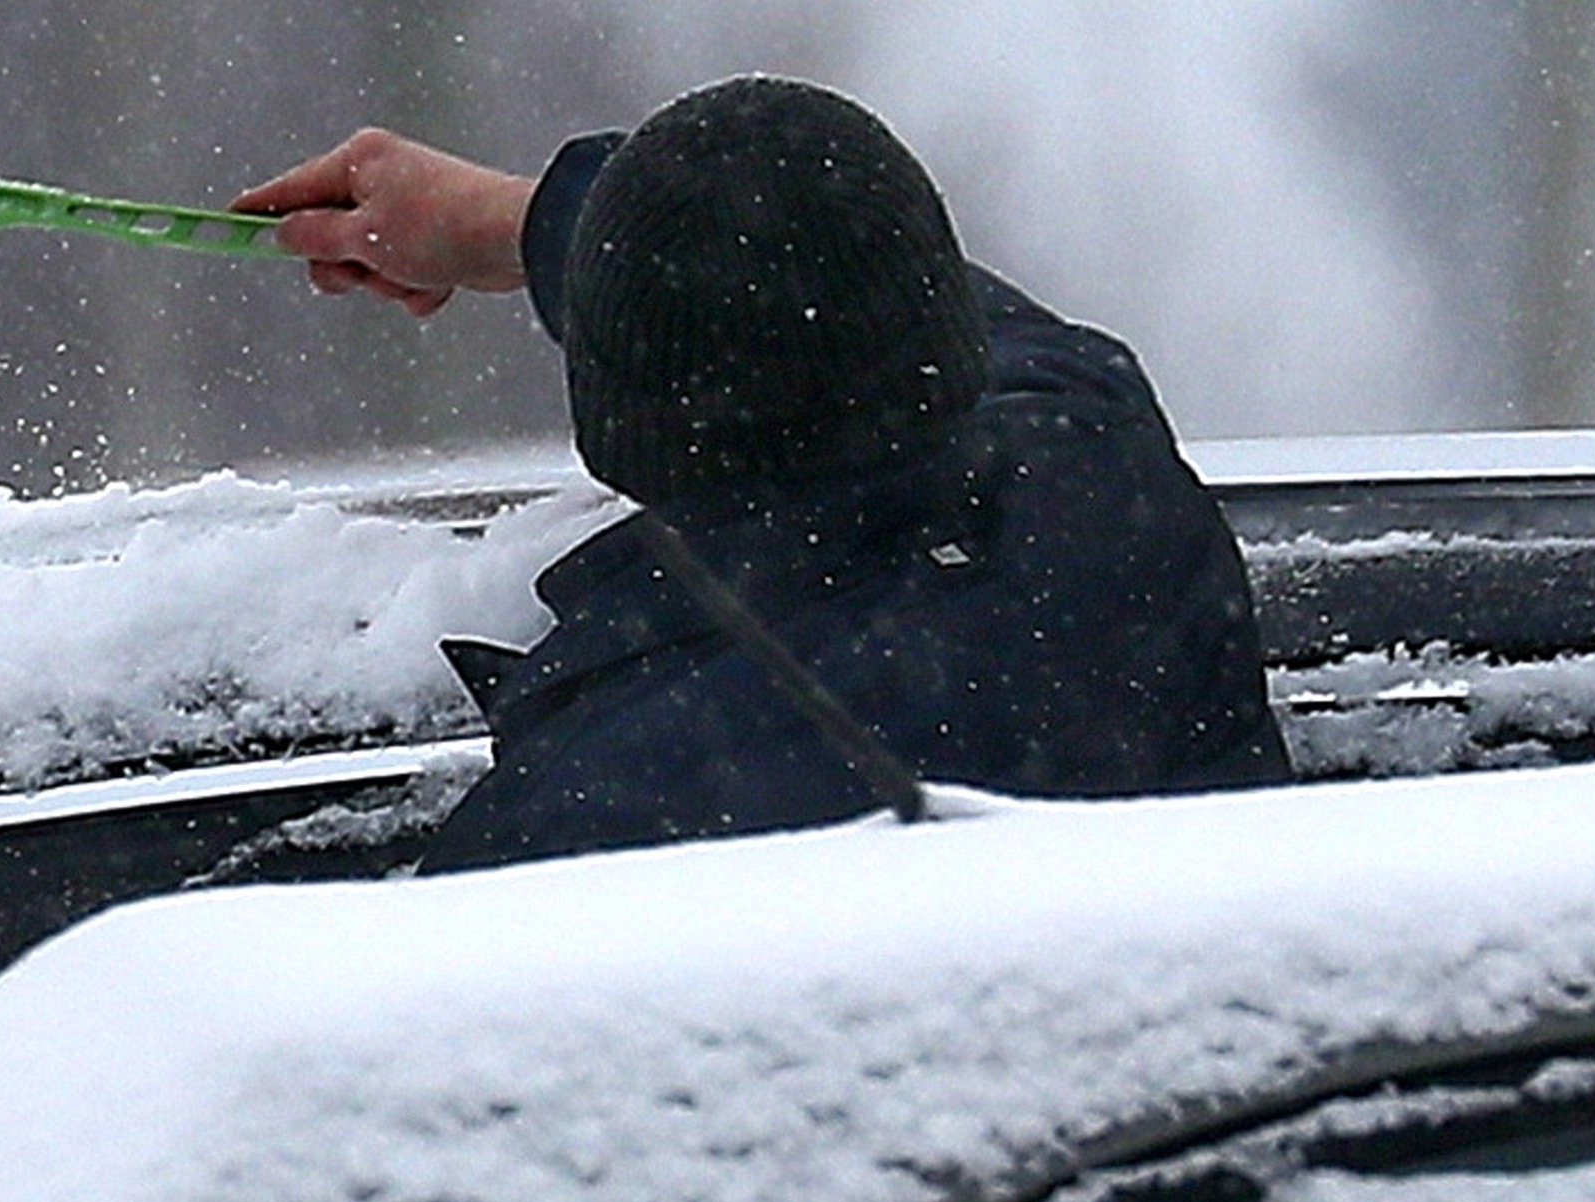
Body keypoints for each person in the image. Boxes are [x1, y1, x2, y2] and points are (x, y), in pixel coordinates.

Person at [237, 82, 1290, 871]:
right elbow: (840, 280)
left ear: (619, 431)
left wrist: (541, 229)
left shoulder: (582, 830)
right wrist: (520, 218)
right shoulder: (1109, 507)